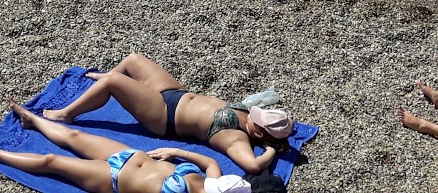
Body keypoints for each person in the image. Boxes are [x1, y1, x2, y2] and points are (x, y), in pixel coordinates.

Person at [43, 54, 291, 175]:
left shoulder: (236, 139)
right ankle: (106, 84)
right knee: (133, 60)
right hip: (175, 93)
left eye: (258, 120)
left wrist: (271, 149)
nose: (254, 115)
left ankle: (67, 113)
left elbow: (253, 166)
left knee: (113, 81)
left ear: (258, 132)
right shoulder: (250, 117)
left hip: (163, 117)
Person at [0, 95, 225, 193]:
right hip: (131, 155)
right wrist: (176, 150)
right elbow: (210, 161)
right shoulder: (213, 183)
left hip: (112, 178)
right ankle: (31, 119)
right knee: (73, 137)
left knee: (51, 162)